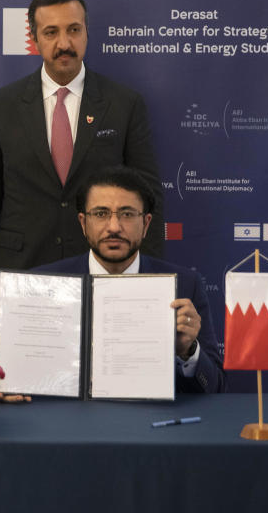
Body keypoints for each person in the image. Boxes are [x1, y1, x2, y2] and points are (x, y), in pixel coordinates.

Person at [0, 0, 163, 346]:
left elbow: (148, 201)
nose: (63, 43)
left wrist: (148, 285)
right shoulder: (2, 105)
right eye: (50, 32)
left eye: (73, 30)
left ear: (86, 32)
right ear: (34, 39)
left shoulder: (124, 104)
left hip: (105, 275)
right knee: (28, 394)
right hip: (22, 277)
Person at [38, 166, 225, 393]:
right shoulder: (44, 285)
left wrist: (187, 351)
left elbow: (215, 388)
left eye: (127, 214)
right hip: (68, 422)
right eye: (100, 214)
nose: (114, 227)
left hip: (154, 424)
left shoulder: (185, 285)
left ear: (146, 224)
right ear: (83, 223)